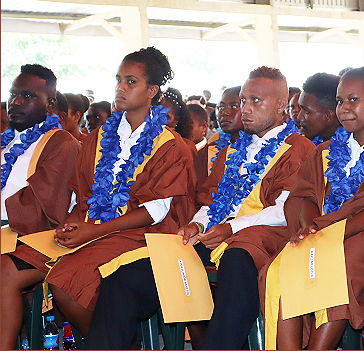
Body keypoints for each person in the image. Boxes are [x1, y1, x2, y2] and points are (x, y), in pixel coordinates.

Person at [85, 66, 314, 350]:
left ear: (282, 105)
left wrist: (231, 228)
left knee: (237, 258)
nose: (245, 109)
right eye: (243, 100)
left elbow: (283, 211)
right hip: (215, 235)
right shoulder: (232, 149)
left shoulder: (300, 149)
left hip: (262, 240)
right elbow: (211, 201)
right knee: (125, 277)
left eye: (256, 101)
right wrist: (198, 225)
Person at [264, 67, 364, 350]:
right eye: (339, 101)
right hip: (326, 231)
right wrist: (311, 227)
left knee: (336, 262)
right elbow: (307, 197)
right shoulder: (324, 151)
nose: (344, 108)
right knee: (279, 268)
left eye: (353, 99)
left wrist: (329, 234)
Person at [43, 47, 197, 338]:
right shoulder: (99, 136)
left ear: (152, 90)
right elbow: (81, 193)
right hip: (99, 227)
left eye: (131, 81)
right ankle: (114, 339)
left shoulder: (169, 145)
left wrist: (94, 232)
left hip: (143, 235)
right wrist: (74, 223)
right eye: (118, 80)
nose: (120, 88)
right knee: (46, 262)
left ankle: (115, 342)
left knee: (64, 284)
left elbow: (156, 211)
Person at [1, 64, 80, 350]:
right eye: (13, 94)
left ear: (50, 104)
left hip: (43, 236)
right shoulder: (8, 143)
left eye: (27, 95)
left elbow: (47, 207)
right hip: (7, 234)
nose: (16, 102)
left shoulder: (61, 143)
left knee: (4, 271)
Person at [194, 86, 243, 186]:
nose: (225, 112)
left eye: (234, 106)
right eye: (221, 107)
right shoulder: (209, 150)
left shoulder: (263, 150)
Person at [296, 72, 342, 144]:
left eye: (306, 111)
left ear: (328, 116)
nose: (299, 117)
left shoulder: (353, 150)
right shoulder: (303, 145)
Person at [160, 87, 196, 154]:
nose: (158, 120)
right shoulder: (144, 141)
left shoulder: (187, 147)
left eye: (165, 117)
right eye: (155, 115)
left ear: (177, 120)